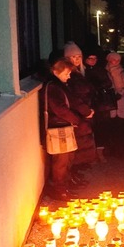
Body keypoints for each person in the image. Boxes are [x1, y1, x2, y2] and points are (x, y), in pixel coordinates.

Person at [43, 58, 94, 200]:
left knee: (68, 158)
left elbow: (72, 101)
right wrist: (77, 120)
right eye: (66, 73)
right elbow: (60, 109)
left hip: (64, 126)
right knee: (61, 161)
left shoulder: (60, 85)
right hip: (58, 127)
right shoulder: (53, 87)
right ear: (55, 72)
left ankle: (64, 186)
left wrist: (85, 112)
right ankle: (60, 190)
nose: (69, 76)